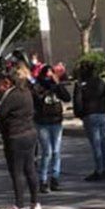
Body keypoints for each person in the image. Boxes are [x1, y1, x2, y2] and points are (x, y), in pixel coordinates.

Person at [0, 72, 41, 209]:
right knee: (30, 168)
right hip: (30, 132)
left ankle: (20, 206)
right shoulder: (26, 92)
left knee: (17, 171)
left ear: (7, 82)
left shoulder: (10, 96)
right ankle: (35, 202)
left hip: (15, 135)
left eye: (0, 83)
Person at [33, 64, 71, 194]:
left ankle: (55, 178)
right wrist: (47, 89)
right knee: (47, 151)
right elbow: (37, 100)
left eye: (51, 73)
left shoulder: (56, 86)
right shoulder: (38, 86)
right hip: (43, 122)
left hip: (56, 121)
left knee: (56, 151)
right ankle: (43, 180)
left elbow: (67, 97)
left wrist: (57, 85)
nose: (49, 76)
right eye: (47, 74)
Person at [73, 60, 105, 181]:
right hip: (102, 114)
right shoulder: (100, 82)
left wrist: (80, 114)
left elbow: (78, 101)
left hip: (90, 115)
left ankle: (99, 170)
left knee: (96, 144)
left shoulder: (81, 85)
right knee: (103, 142)